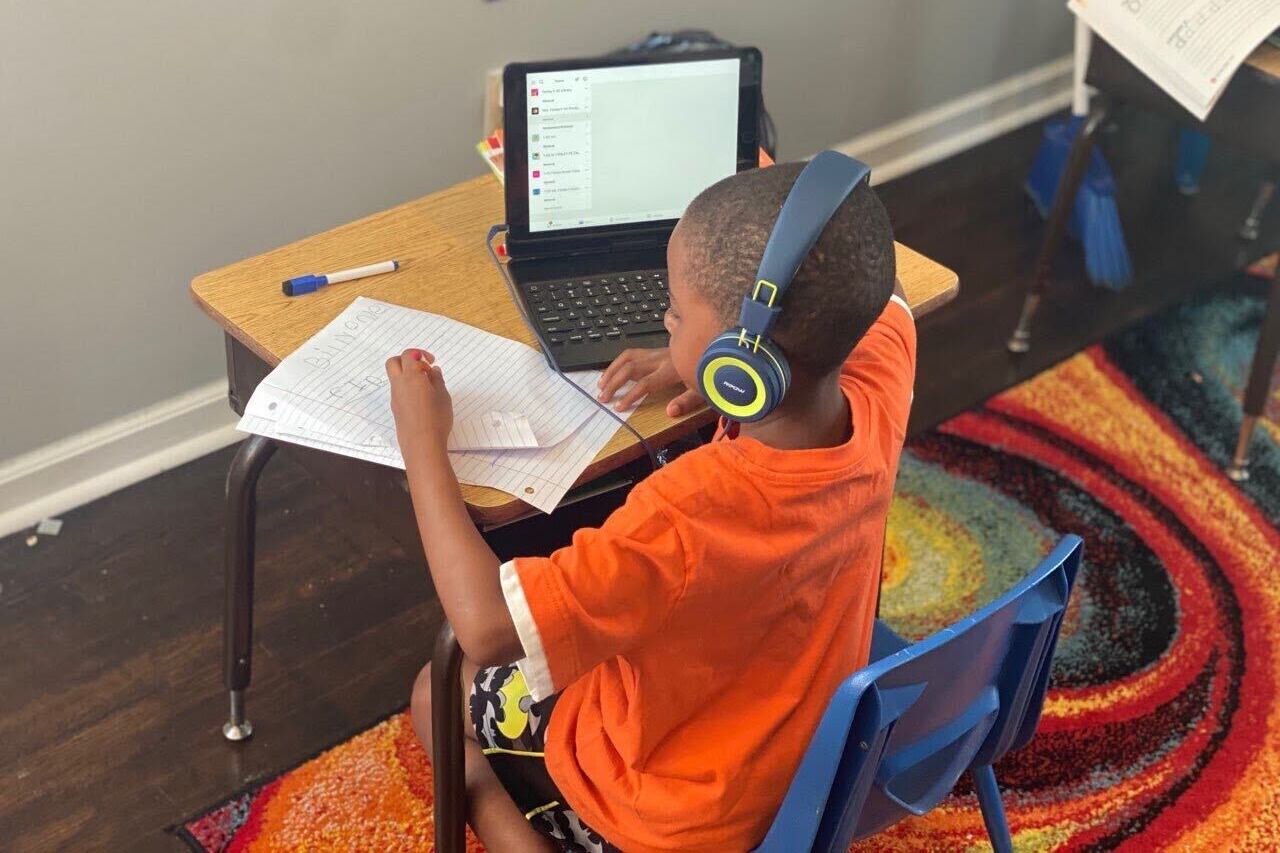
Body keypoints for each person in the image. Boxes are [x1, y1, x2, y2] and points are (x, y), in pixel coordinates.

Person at [386, 160, 913, 852]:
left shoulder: (688, 513)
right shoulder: (879, 389)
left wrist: (422, 440)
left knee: (436, 687)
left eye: (673, 310)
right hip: (804, 765)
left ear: (742, 360)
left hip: (669, 814)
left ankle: (512, 825)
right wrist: (694, 360)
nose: (664, 321)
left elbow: (486, 626)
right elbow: (887, 290)